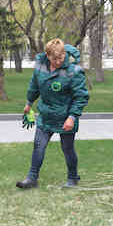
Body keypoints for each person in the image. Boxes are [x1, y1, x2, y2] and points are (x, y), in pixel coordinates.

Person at [16, 38, 89, 189]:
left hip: (65, 117)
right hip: (46, 115)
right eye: (54, 58)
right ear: (47, 55)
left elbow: (81, 97)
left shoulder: (74, 71)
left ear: (64, 54)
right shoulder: (40, 66)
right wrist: (29, 103)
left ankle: (73, 178)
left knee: (67, 149)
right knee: (38, 146)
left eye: (61, 57)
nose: (58, 61)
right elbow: (34, 85)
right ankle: (31, 178)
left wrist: (72, 117)